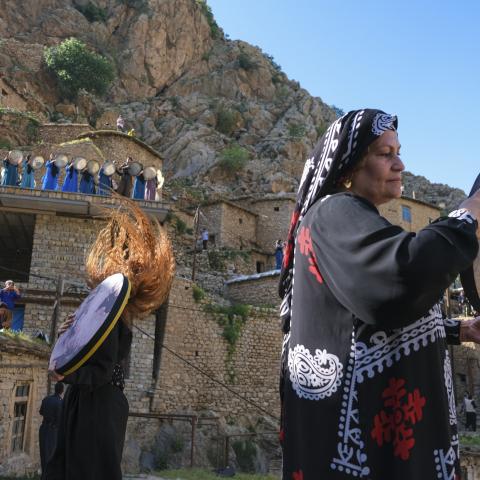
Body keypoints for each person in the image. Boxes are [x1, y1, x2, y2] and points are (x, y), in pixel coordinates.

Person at [278, 109, 480, 479]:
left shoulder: (353, 221)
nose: (400, 164)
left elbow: (360, 318)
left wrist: (456, 330)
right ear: (347, 169)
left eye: (399, 152)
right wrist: (470, 212)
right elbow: (402, 278)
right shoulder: (334, 213)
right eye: (385, 154)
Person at [46, 198, 175, 480]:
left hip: (99, 406)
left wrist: (66, 375)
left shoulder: (116, 322)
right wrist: (69, 336)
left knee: (88, 470)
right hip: (84, 402)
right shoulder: (104, 317)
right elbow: (83, 355)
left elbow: (101, 372)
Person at [39, 383, 64, 480]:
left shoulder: (46, 399)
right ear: (62, 391)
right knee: (50, 456)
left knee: (43, 455)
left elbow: (41, 412)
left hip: (43, 429)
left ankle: (43, 477)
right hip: (53, 431)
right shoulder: (60, 403)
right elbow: (60, 419)